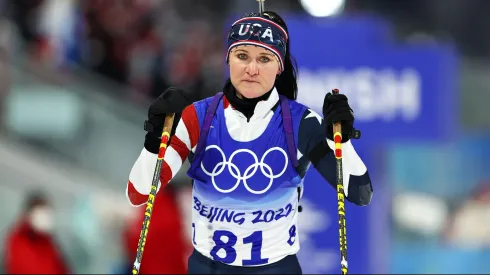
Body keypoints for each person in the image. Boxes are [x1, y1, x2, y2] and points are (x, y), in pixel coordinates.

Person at [126, 10, 373, 274]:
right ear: (228, 59)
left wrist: (343, 142)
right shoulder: (198, 117)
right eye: (242, 56)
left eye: (264, 59)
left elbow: (359, 192)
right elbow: (139, 193)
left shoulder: (299, 122)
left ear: (279, 67)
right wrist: (153, 142)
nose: (252, 69)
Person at [3, 191, 70, 274]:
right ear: (30, 214)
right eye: (42, 212)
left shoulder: (47, 241)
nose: (46, 217)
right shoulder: (21, 239)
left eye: (48, 212)